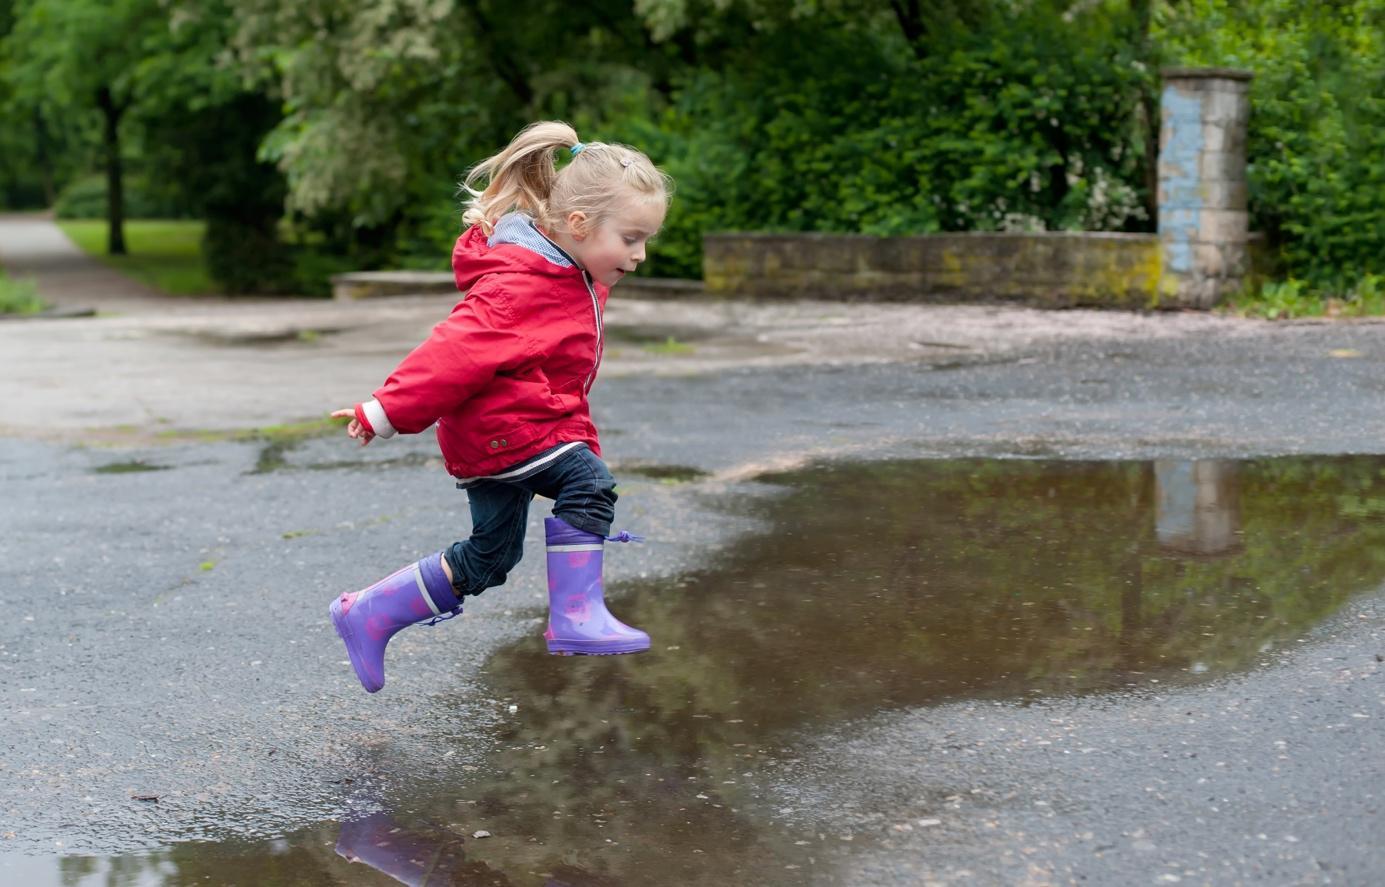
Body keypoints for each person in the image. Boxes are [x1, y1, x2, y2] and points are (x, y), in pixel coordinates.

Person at [328, 121, 671, 694]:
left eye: (645, 241)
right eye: (631, 238)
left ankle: (366, 613)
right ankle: (575, 617)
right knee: (588, 484)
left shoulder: (570, 271)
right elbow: (452, 352)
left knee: (490, 559)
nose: (639, 255)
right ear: (580, 226)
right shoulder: (519, 286)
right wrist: (385, 411)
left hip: (509, 437)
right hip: (506, 434)